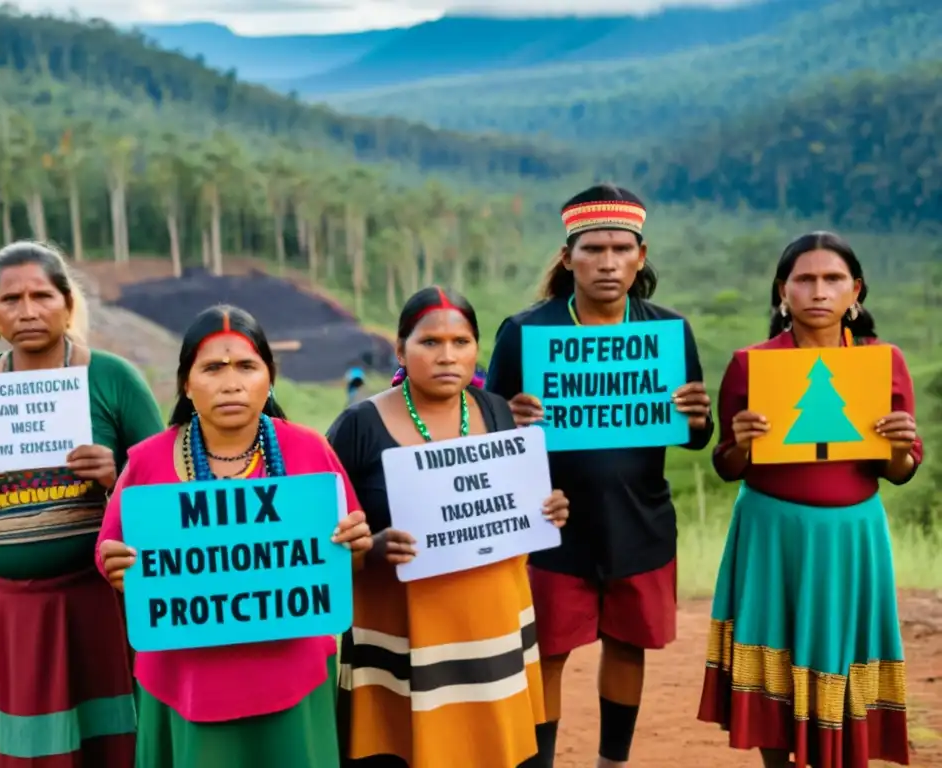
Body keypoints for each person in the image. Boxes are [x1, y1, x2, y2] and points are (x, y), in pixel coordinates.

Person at [485, 184, 714, 768]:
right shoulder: (526, 333)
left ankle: (613, 761)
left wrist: (698, 417)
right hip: (550, 524)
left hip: (640, 519)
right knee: (548, 653)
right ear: (568, 258)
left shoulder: (667, 333)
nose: (607, 263)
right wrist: (510, 421)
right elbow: (486, 438)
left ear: (640, 255)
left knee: (628, 645)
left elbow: (692, 435)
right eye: (593, 249)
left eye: (620, 249)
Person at [96, 304, 373, 768]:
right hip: (185, 679)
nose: (231, 383)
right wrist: (117, 565)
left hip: (294, 675)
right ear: (187, 383)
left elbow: (350, 558)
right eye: (212, 368)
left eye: (247, 366)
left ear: (270, 377)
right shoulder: (147, 461)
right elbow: (110, 557)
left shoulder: (308, 451)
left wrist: (356, 546)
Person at [0, 240, 165, 766]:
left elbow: (164, 483)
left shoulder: (111, 378)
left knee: (112, 736)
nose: (28, 310)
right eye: (10, 299)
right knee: (29, 744)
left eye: (42, 295)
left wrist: (117, 476)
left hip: (98, 600)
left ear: (67, 303)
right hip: (4, 607)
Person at [697, 231, 919, 768]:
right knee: (775, 661)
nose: (819, 291)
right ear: (783, 291)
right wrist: (742, 445)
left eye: (833, 279)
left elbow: (901, 471)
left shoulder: (883, 362)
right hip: (773, 534)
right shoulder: (751, 365)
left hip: (853, 535)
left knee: (843, 665)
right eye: (805, 279)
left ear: (855, 290)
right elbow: (726, 467)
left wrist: (896, 445)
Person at [330, 286, 570, 768]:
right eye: (430, 342)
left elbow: (514, 511)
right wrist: (372, 546)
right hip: (401, 637)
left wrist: (547, 511)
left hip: (492, 631)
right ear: (400, 350)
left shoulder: (498, 413)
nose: (447, 356)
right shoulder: (357, 427)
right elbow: (328, 538)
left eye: (461, 342)